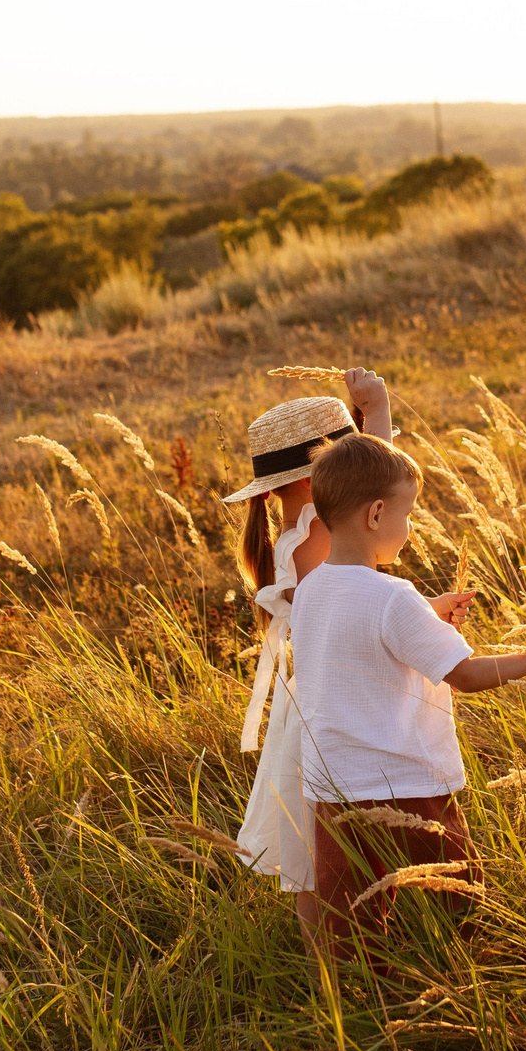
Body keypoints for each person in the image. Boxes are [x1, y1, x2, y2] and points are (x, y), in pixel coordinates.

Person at [290, 431, 526, 965]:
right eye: (409, 515)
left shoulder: (312, 587)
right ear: (377, 514)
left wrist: (426, 613)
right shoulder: (394, 597)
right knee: (460, 901)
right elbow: (468, 675)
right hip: (407, 786)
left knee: (350, 925)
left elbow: (357, 626)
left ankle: (352, 1004)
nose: (409, 530)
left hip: (333, 788)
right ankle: (464, 981)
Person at [225, 370, 396, 946]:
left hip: (325, 695)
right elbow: (383, 500)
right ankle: (329, 960)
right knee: (323, 848)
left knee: (320, 845)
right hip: (335, 702)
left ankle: (334, 956)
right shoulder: (314, 532)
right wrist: (378, 416)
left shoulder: (300, 532)